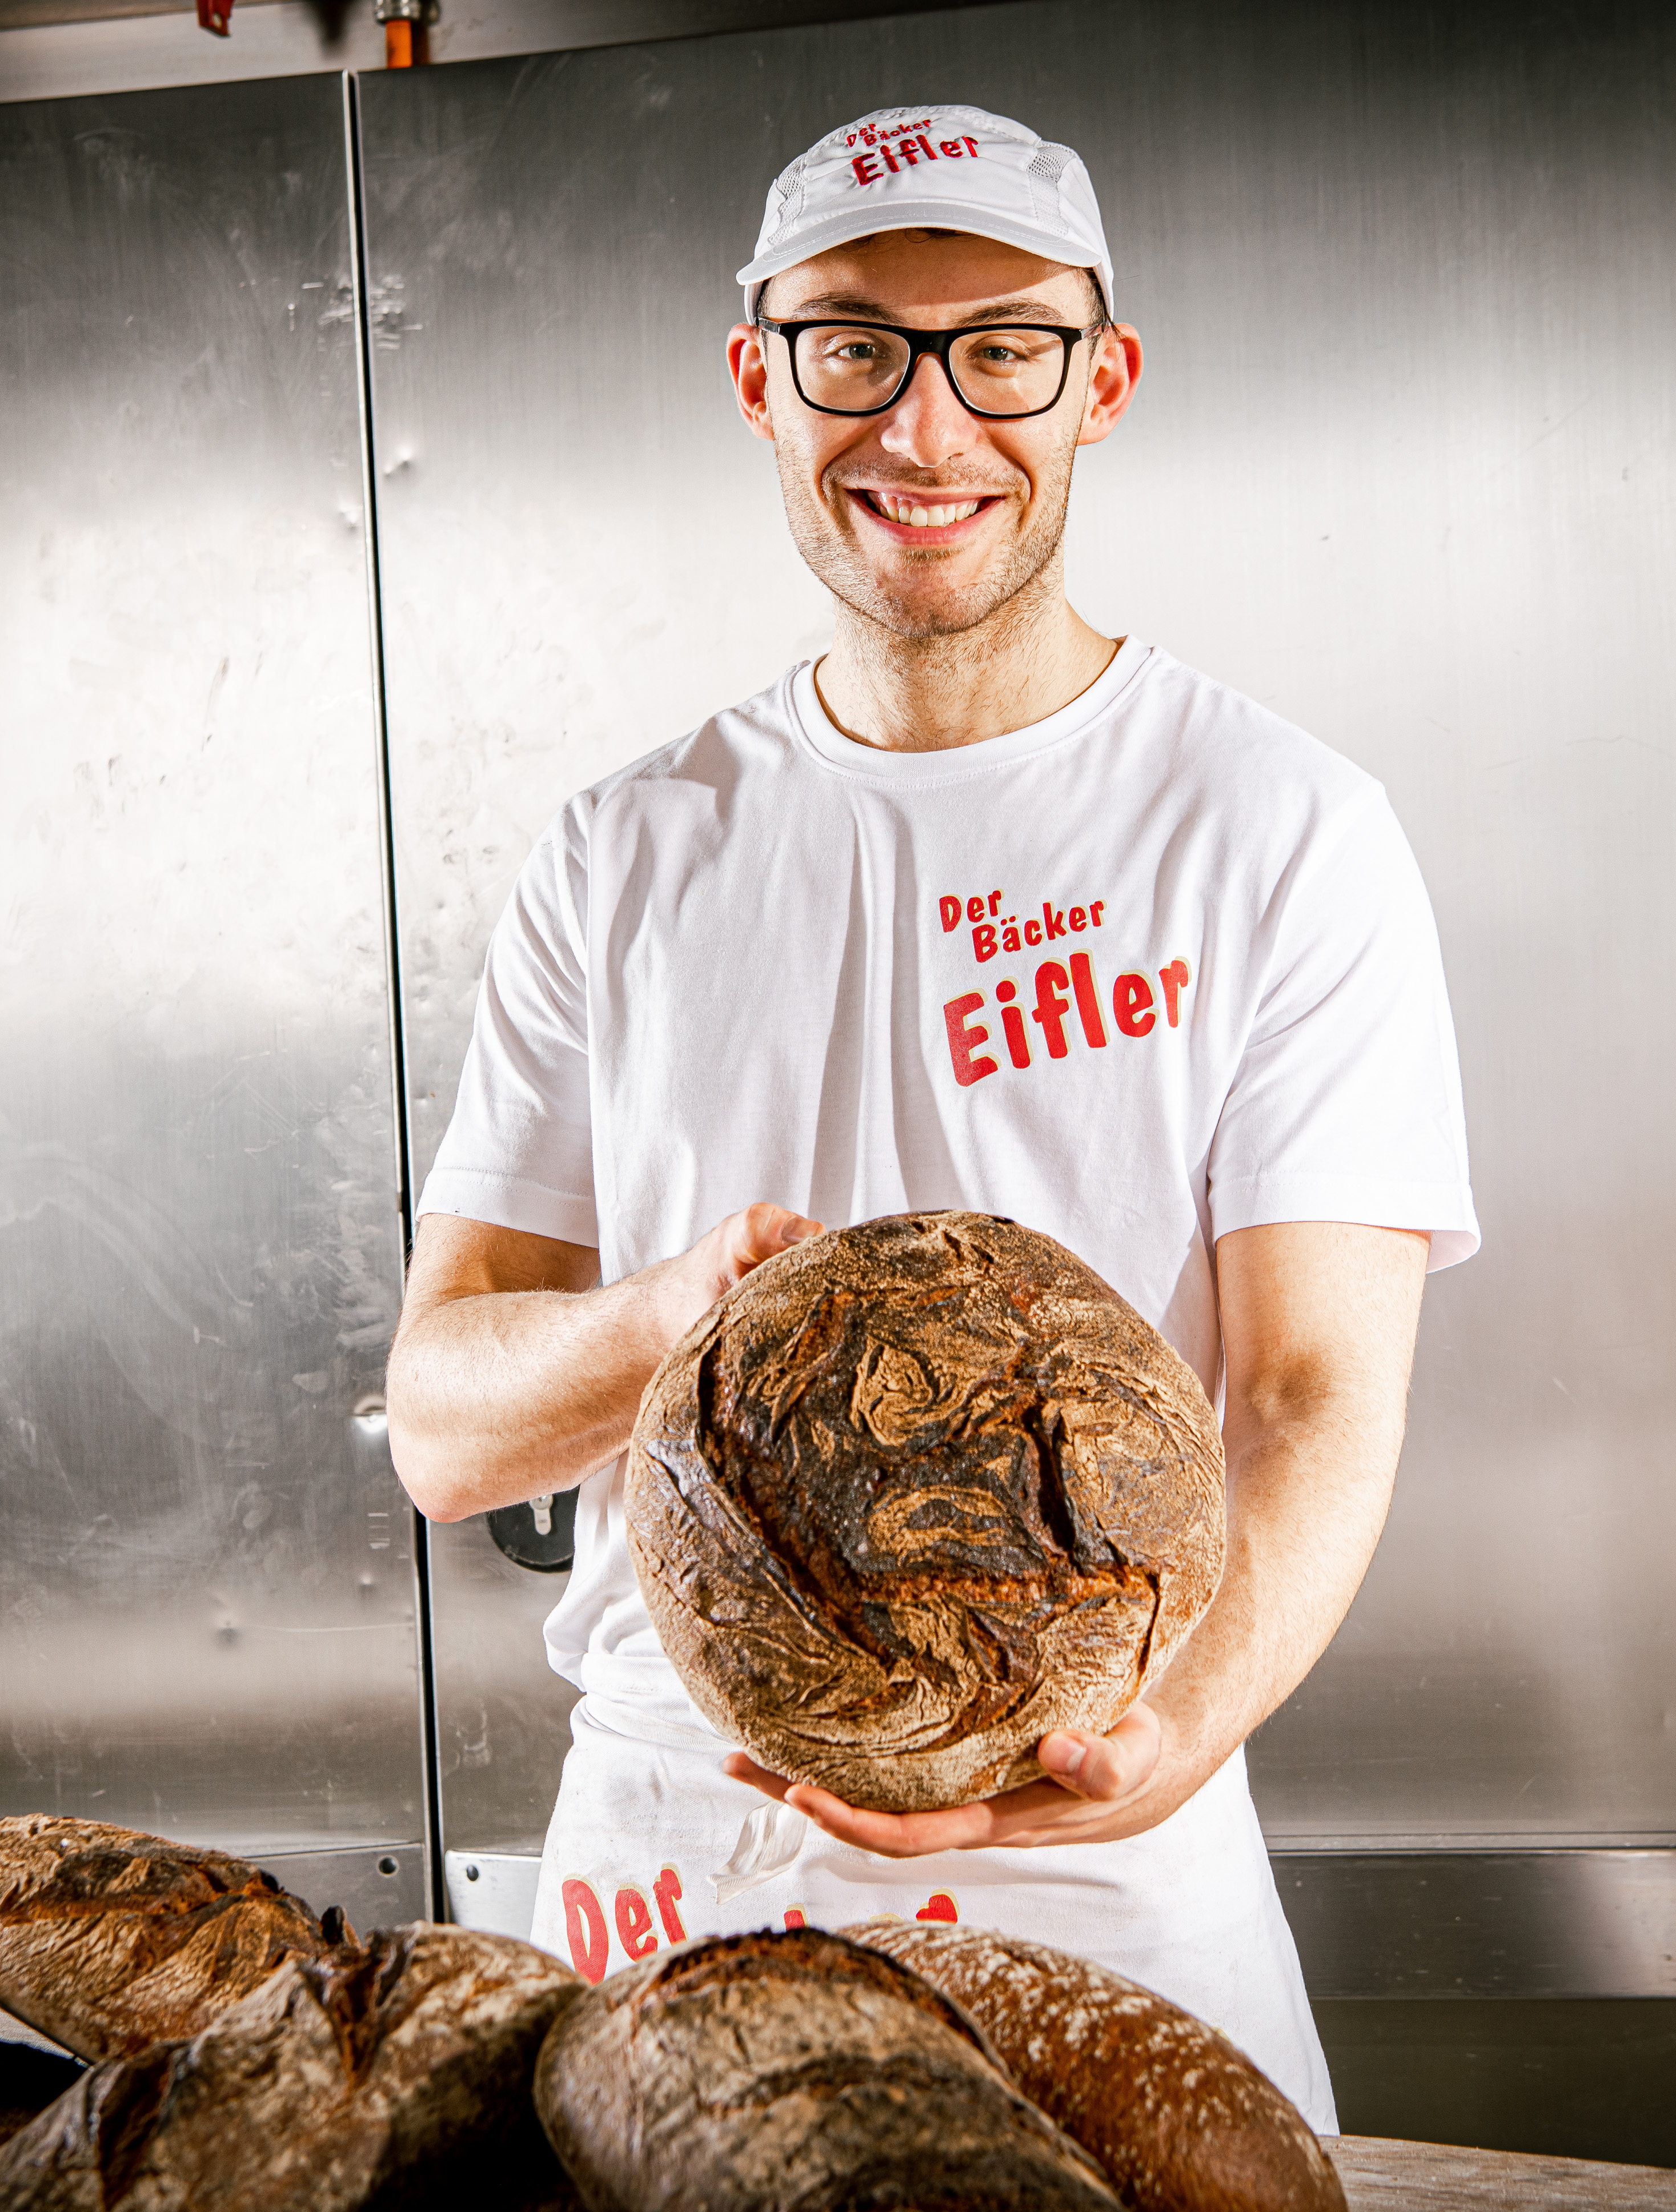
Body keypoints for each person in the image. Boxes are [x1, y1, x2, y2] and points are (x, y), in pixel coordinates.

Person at [382, 102, 1477, 2126]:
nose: (924, 422)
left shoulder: (1275, 830)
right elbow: (444, 1427)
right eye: (853, 345)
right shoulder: (622, 851)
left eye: (1001, 348)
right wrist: (672, 1318)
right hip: (671, 1861)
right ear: (758, 379)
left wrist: (1163, 1736)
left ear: (1100, 382)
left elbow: (1309, 1395)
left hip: (1102, 1853)